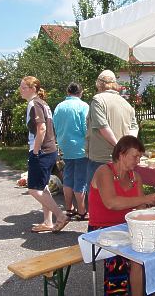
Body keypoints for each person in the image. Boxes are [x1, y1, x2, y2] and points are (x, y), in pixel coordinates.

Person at [88, 135, 155, 296]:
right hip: (101, 228)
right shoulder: (104, 171)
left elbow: (140, 207)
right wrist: (145, 199)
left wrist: (150, 207)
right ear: (121, 154)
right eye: (135, 156)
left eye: (140, 157)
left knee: (151, 245)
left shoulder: (135, 177)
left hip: (127, 226)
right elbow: (111, 203)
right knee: (122, 259)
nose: (138, 161)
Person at [19, 76, 70, 233]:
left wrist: (35, 151)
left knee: (34, 189)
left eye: (23, 87)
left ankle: (60, 216)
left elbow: (41, 129)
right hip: (50, 149)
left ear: (33, 89)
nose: (20, 90)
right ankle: (47, 222)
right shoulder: (42, 103)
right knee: (43, 186)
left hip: (42, 151)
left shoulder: (34, 103)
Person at [85, 69, 139, 188]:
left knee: (96, 197)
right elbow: (134, 128)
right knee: (119, 195)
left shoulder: (98, 100)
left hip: (101, 159)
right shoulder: (126, 104)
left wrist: (120, 147)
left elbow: (103, 128)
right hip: (121, 160)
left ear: (99, 84)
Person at [53, 82, 89, 221]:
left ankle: (68, 208)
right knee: (80, 180)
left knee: (68, 178)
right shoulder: (83, 106)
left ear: (68, 92)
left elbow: (55, 125)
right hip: (80, 147)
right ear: (81, 92)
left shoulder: (59, 106)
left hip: (65, 146)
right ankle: (82, 211)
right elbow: (85, 128)